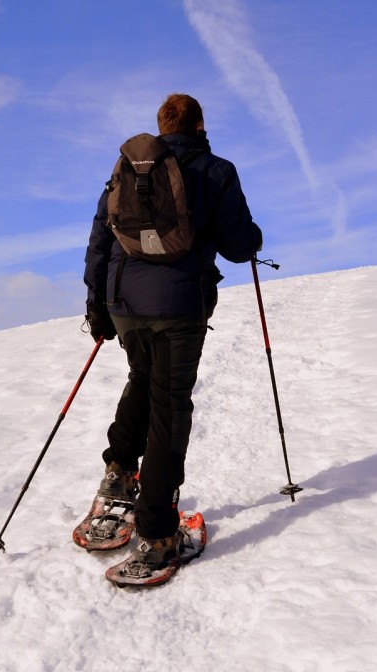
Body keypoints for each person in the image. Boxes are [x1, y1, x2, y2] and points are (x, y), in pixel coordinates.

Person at [83, 93, 263, 571]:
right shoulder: (215, 170)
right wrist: (254, 235)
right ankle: (158, 533)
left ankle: (119, 474)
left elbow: (101, 237)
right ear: (201, 125)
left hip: (124, 303)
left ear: (162, 127)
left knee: (142, 380)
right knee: (169, 405)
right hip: (179, 307)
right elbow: (239, 245)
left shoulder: (128, 168)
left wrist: (96, 302)